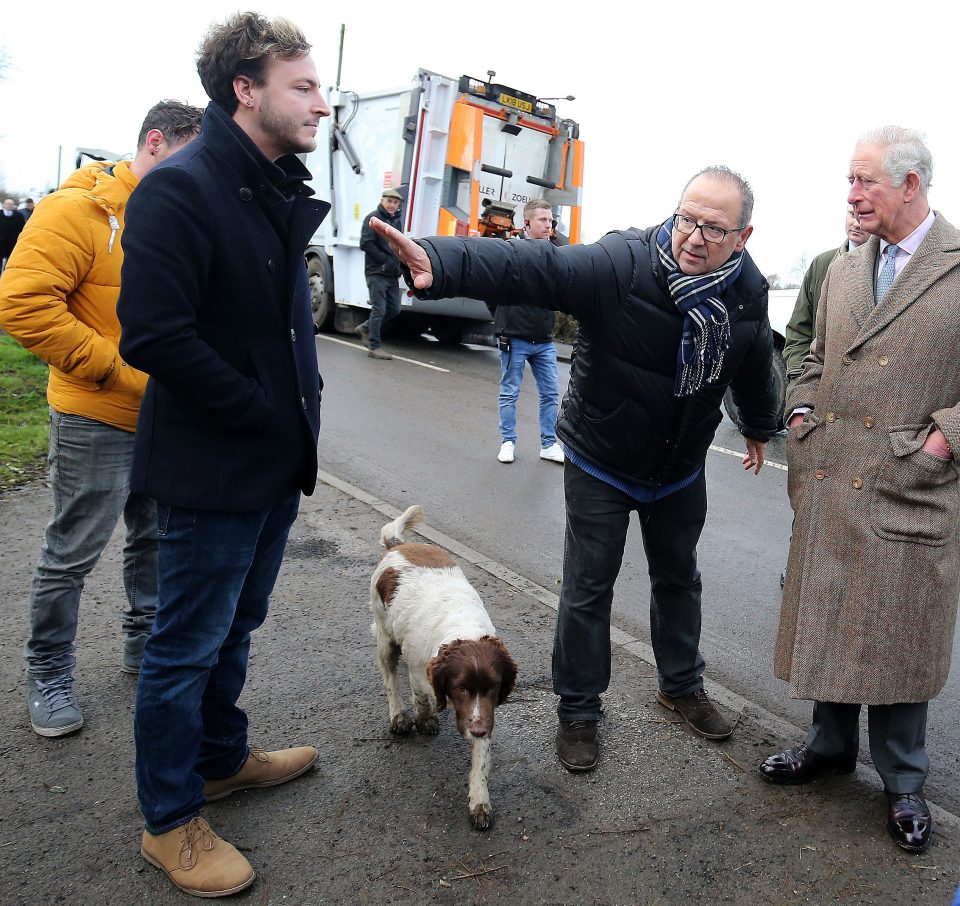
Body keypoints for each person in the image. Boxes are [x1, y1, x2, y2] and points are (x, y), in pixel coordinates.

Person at [373, 165, 778, 772]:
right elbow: (536, 268)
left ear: (742, 238)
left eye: (713, 229)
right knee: (589, 587)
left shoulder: (745, 288)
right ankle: (580, 711)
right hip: (602, 456)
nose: (693, 236)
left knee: (678, 580)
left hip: (679, 465)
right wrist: (441, 260)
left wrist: (758, 421)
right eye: (686, 218)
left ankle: (680, 685)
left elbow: (751, 358)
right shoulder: (623, 262)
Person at [116, 13, 331, 897]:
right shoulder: (182, 186)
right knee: (184, 646)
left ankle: (219, 758)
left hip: (272, 464)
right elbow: (153, 336)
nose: (325, 99)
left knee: (236, 627)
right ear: (245, 90)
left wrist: (290, 416)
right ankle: (169, 822)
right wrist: (255, 409)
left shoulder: (272, 182)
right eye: (304, 85)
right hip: (214, 467)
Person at [760, 126, 960, 856]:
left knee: (900, 635)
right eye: (850, 181)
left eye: (866, 181)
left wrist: (943, 440)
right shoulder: (845, 268)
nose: (852, 195)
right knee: (834, 613)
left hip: (913, 483)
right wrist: (801, 407)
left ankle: (904, 781)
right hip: (833, 472)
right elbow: (810, 352)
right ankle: (827, 746)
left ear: (912, 185)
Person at [0, 101, 203, 738]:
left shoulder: (181, 217)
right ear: (155, 143)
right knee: (72, 552)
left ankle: (141, 646)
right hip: (96, 415)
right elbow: (23, 303)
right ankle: (48, 671)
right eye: (192, 158)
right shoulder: (79, 210)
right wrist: (119, 373)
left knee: (153, 539)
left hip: (165, 421)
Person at [489, 199, 564, 465]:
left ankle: (548, 444)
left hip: (543, 338)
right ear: (528, 222)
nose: (549, 224)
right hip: (515, 337)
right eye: (543, 220)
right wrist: (502, 319)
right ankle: (507, 442)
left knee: (550, 393)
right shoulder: (511, 250)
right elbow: (491, 288)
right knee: (510, 392)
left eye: (551, 219)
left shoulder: (554, 253)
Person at [782, 206, 868, 395]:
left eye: (863, 216)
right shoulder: (822, 265)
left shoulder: (893, 269)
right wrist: (799, 388)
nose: (856, 223)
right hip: (822, 395)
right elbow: (798, 333)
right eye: (852, 215)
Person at [355, 188, 403, 359]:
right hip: (377, 272)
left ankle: (366, 328)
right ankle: (374, 347)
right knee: (379, 309)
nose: (392, 205)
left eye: (395, 202)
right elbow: (366, 243)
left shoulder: (397, 221)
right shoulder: (373, 218)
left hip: (392, 273)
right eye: (389, 201)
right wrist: (384, 260)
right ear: (382, 201)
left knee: (394, 309)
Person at [1, 197, 25, 270]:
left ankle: (7, 273)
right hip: (1, 242)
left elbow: (22, 227)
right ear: (4, 205)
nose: (9, 206)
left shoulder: (18, 215)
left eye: (11, 204)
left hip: (13, 241)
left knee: (11, 259)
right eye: (7, 204)